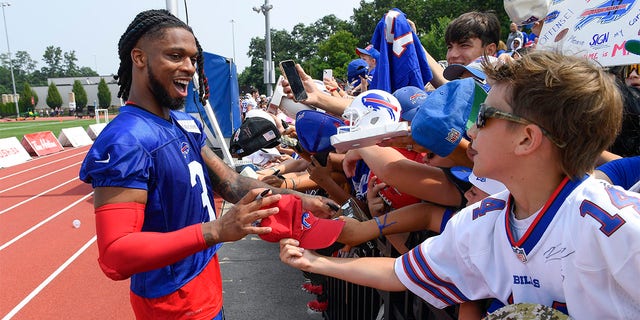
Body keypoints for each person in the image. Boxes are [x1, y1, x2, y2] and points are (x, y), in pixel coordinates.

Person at [280, 51, 640, 318]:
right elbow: (399, 271)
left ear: (527, 139)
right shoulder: (482, 220)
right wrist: (315, 263)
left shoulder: (619, 228)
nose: (469, 131)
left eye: (484, 116)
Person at [78, 9, 336, 319]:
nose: (189, 68)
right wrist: (215, 230)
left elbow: (231, 183)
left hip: (205, 282)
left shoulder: (184, 122)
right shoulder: (125, 140)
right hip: (170, 300)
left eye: (192, 59)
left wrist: (302, 200)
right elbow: (115, 255)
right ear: (139, 58)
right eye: (176, 56)